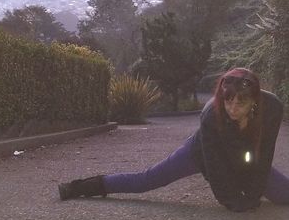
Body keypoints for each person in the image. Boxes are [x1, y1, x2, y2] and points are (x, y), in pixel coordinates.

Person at [58, 68, 289, 212]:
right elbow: (215, 167)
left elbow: (263, 156)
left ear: (254, 100)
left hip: (244, 157)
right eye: (228, 101)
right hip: (201, 153)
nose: (233, 109)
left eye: (241, 103)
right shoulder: (211, 114)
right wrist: (234, 203)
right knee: (146, 180)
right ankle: (81, 187)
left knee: (284, 194)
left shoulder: (272, 109)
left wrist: (251, 196)